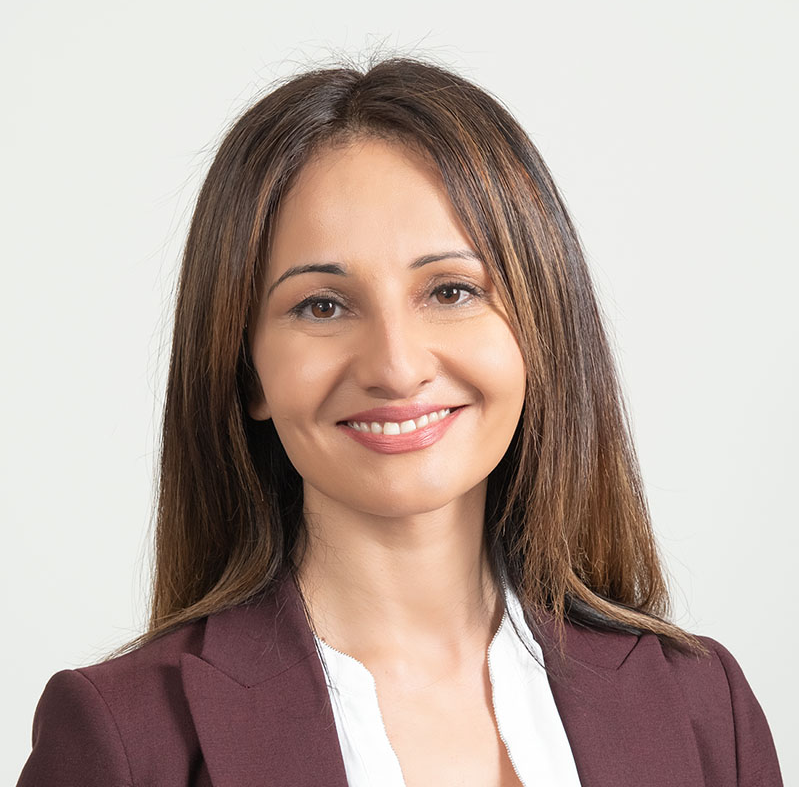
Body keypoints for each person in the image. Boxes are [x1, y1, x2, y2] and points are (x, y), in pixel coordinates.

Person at [17, 56, 782, 787]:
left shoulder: (699, 706)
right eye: (322, 305)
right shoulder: (124, 736)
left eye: (449, 291)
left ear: (538, 330)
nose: (394, 365)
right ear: (245, 370)